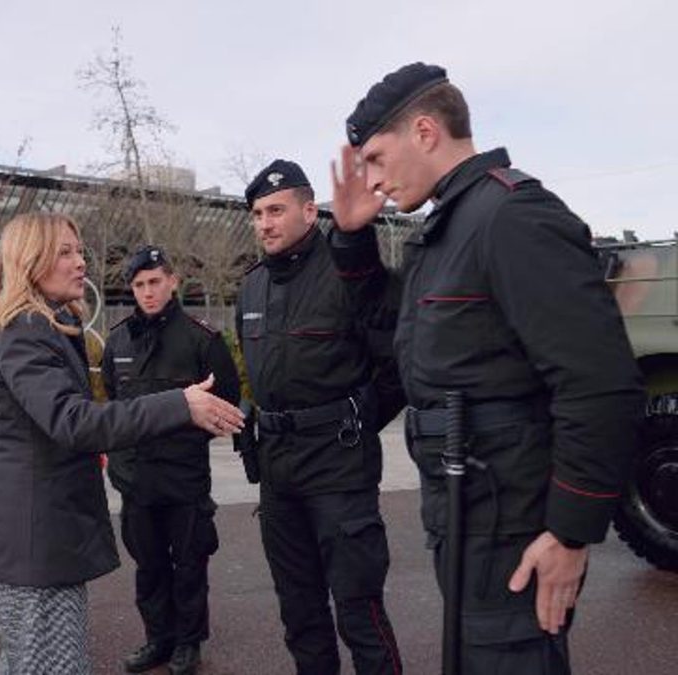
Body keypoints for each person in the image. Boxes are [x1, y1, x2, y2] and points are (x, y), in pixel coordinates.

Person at [330, 62, 644, 674]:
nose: (370, 179)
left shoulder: (511, 216)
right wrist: (349, 239)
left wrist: (570, 534)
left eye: (373, 157)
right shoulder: (450, 227)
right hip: (467, 513)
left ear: (424, 132)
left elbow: (599, 383)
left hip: (514, 531)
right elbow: (396, 337)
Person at [0, 213, 244, 675]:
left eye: (80, 252)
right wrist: (179, 404)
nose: (81, 264)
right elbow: (74, 421)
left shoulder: (43, 326)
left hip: (42, 536)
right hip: (35, 541)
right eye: (65, 252)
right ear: (30, 262)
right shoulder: (25, 331)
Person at [235, 160, 403, 675]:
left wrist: (354, 418)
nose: (265, 222)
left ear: (310, 211)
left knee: (359, 609)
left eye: (276, 210)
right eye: (258, 213)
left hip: (339, 466)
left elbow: (397, 363)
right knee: (300, 611)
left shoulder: (346, 275)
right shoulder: (252, 287)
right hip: (278, 469)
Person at [101, 246, 241, 675]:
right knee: (149, 567)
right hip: (136, 479)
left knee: (189, 564)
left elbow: (227, 400)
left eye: (155, 281)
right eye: (139, 284)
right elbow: (114, 400)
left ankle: (188, 643)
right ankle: (157, 639)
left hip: (183, 479)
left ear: (173, 281)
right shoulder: (118, 340)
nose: (147, 291)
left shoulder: (202, 339)